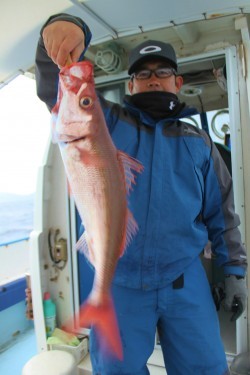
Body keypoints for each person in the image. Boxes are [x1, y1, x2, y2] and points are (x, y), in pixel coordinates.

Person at [35, 14, 247, 375]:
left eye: (161, 72)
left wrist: (234, 272)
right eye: (142, 74)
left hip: (185, 277)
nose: (152, 79)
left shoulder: (199, 143)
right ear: (130, 86)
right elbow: (56, 87)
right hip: (121, 282)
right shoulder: (107, 122)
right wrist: (65, 28)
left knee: (208, 369)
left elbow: (221, 212)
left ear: (177, 82)